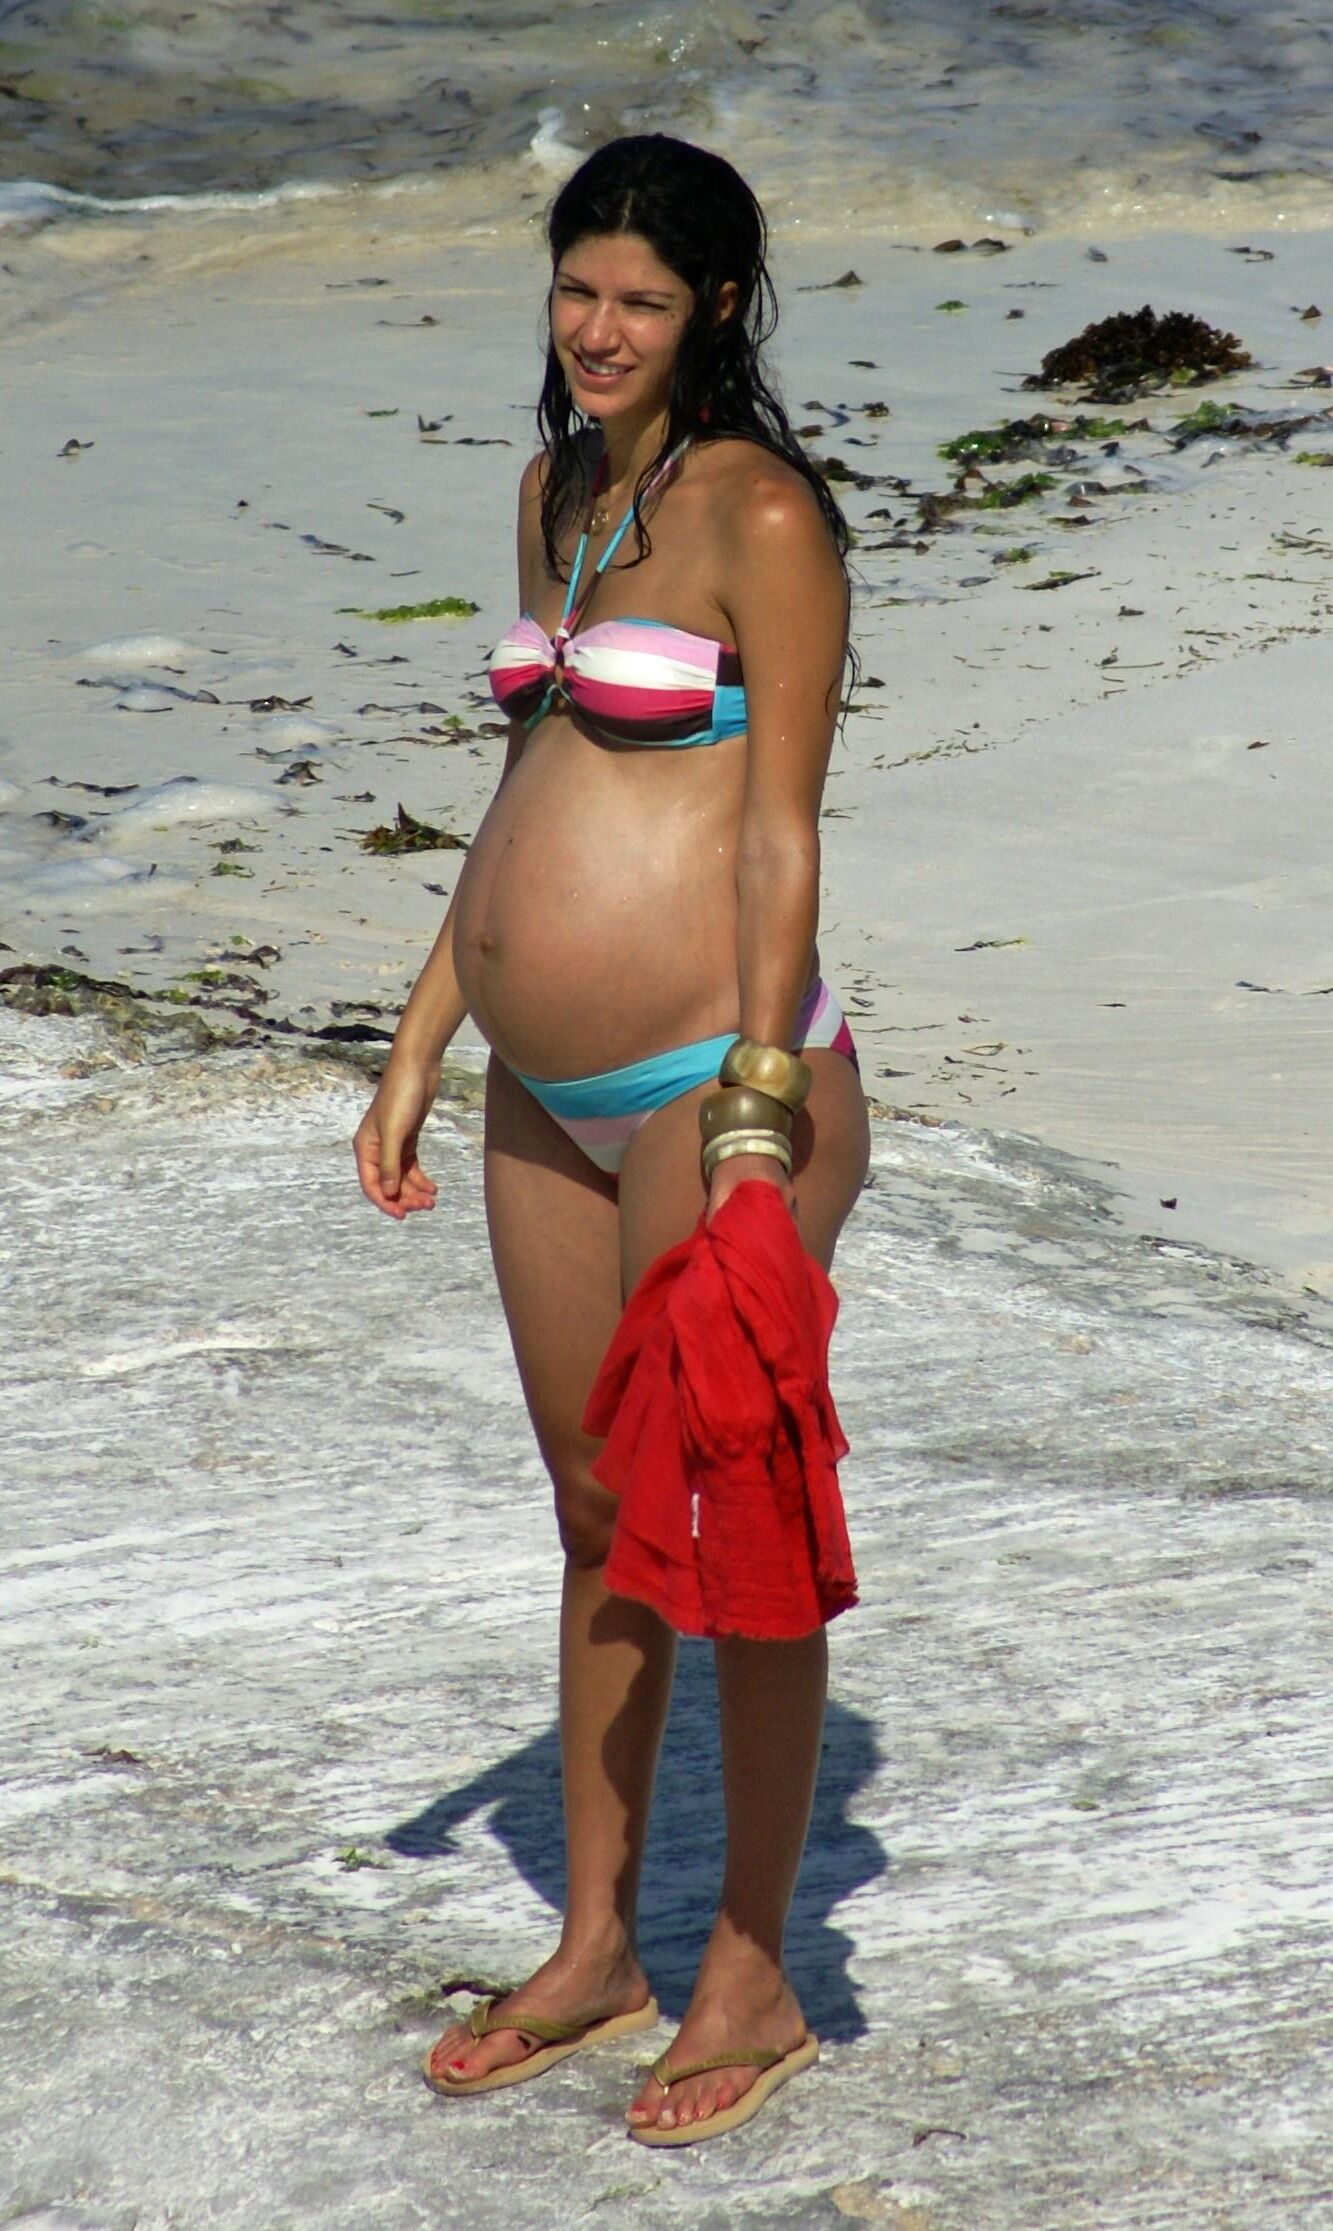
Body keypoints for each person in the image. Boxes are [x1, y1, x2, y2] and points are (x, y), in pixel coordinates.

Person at [353, 132, 870, 2145]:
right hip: (536, 1089)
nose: (596, 330)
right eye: (577, 289)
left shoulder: (758, 512)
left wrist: (754, 1107)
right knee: (590, 1507)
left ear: (717, 311)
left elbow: (780, 825)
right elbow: (523, 785)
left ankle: (754, 1973)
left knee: (725, 1524)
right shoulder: (557, 491)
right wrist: (419, 1038)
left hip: (706, 1090)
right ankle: (595, 1945)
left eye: (640, 301)